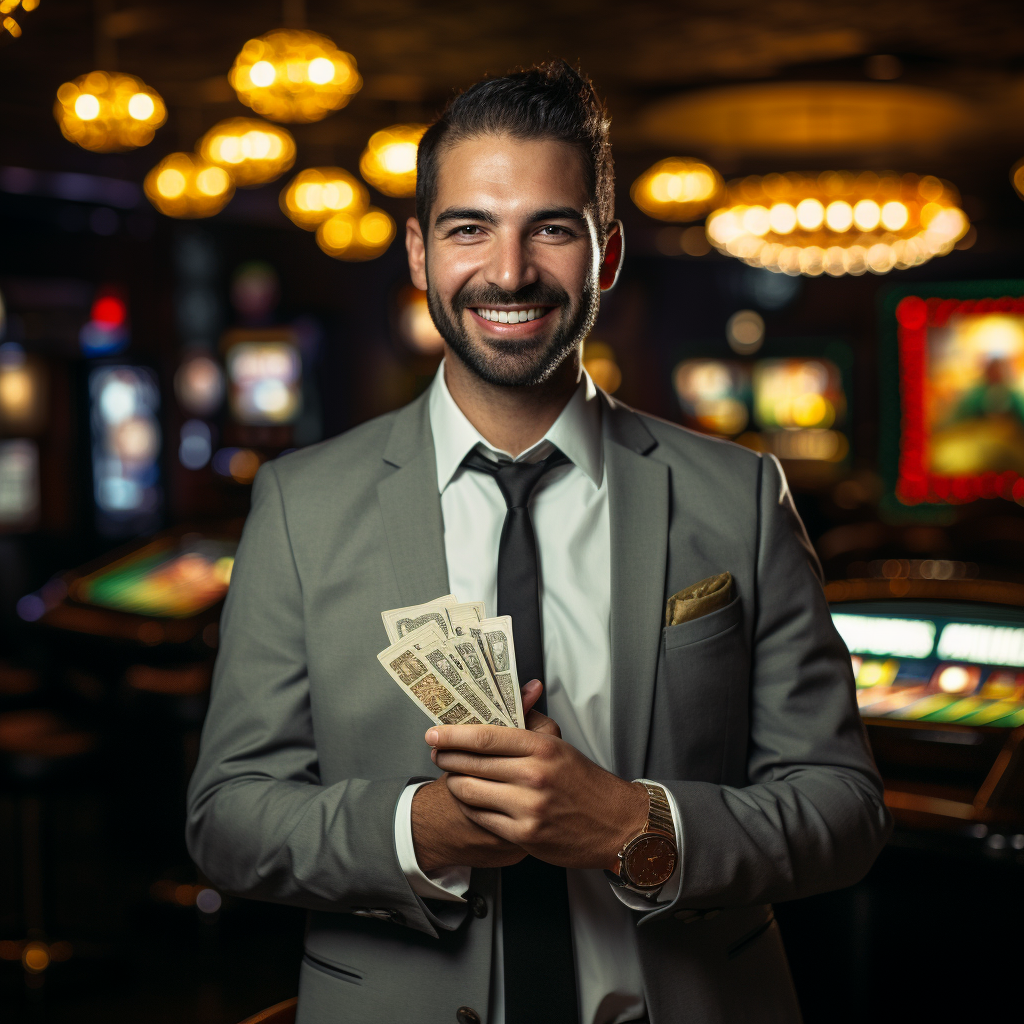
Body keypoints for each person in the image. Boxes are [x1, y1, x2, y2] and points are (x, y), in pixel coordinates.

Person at [186, 61, 891, 1024]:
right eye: (468, 227)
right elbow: (228, 818)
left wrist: (635, 826)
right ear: (418, 254)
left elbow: (844, 810)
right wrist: (418, 830)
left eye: (551, 228)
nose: (509, 271)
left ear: (605, 255)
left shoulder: (739, 494)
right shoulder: (300, 504)